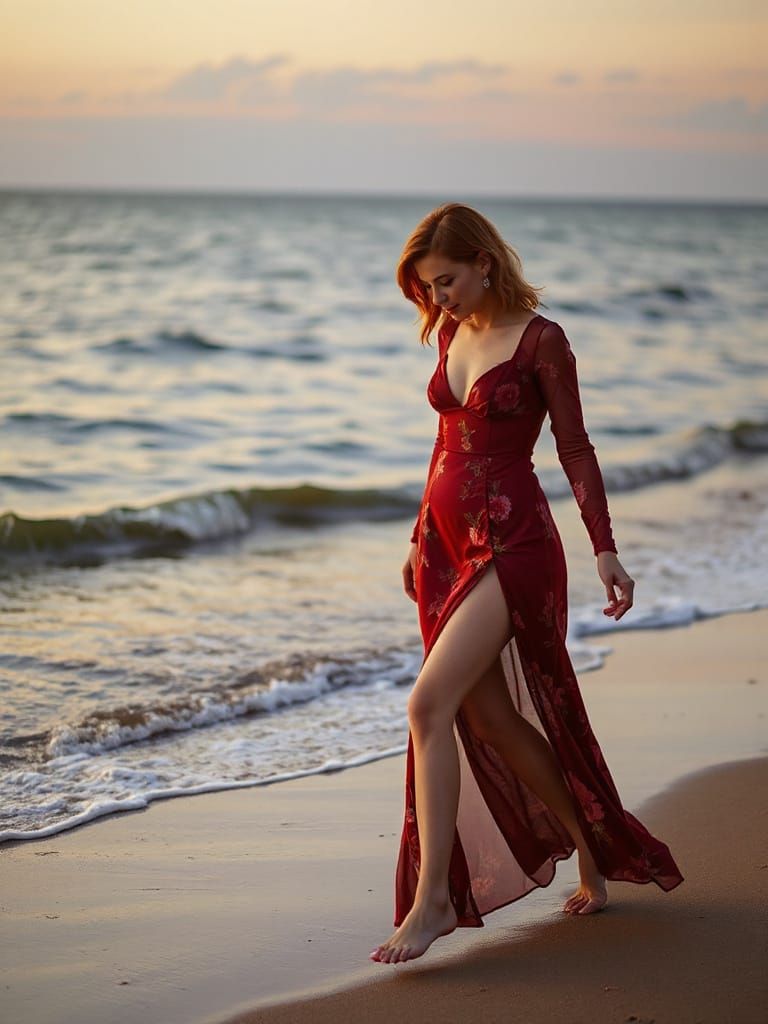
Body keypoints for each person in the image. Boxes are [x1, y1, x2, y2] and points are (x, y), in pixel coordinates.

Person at [369, 203, 683, 966]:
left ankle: (434, 900)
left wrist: (605, 549)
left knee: (427, 704)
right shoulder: (449, 332)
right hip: (447, 546)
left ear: (484, 261)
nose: (437, 298)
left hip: (514, 544)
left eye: (446, 280)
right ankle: (589, 847)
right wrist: (418, 537)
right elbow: (445, 442)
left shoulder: (544, 341)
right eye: (427, 287)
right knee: (494, 721)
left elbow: (574, 447)